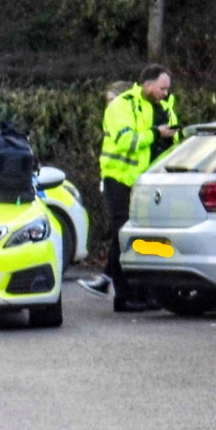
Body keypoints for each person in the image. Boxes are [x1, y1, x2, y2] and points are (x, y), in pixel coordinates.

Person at [78, 65, 179, 312]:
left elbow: (174, 141)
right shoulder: (121, 106)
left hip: (148, 183)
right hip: (120, 180)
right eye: (162, 88)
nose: (166, 93)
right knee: (125, 235)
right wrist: (156, 134)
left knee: (143, 239)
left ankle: (140, 291)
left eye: (168, 89)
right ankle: (123, 295)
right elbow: (126, 141)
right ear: (148, 85)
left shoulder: (164, 107)